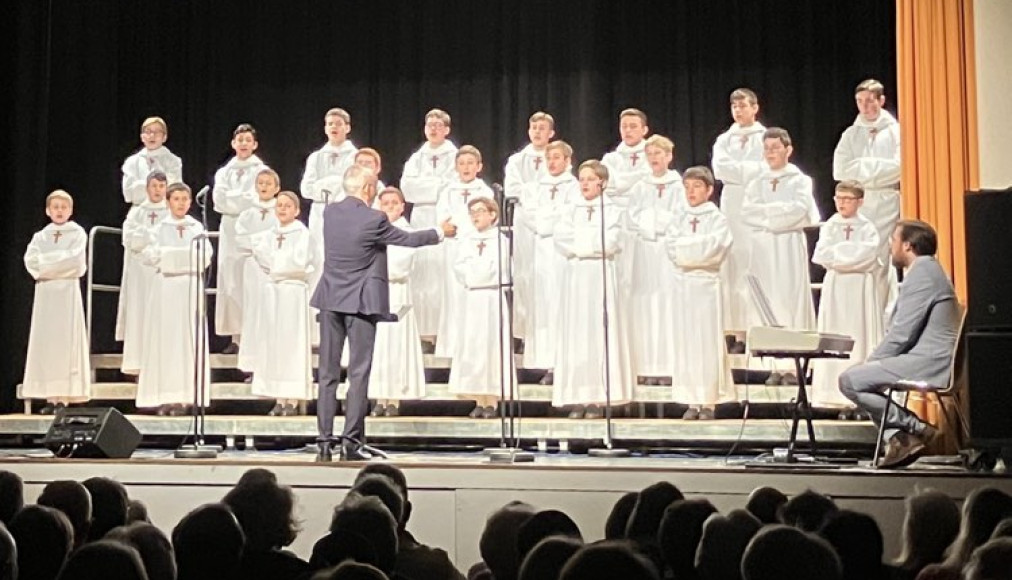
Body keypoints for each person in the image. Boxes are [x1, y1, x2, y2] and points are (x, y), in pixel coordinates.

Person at [311, 164, 453, 462]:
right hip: (360, 303)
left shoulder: (330, 213)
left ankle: (324, 443)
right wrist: (441, 231)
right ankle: (350, 443)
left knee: (327, 374)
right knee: (358, 373)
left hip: (330, 299)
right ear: (366, 188)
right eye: (374, 185)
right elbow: (408, 239)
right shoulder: (374, 218)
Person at [838, 219, 960, 468]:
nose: (890, 247)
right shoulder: (927, 271)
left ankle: (915, 428)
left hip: (930, 361)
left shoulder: (923, 274)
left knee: (850, 380)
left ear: (907, 245)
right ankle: (898, 440)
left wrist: (872, 363)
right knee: (861, 379)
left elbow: (902, 335)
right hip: (924, 357)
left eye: (893, 241)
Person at [553, 160, 633, 418]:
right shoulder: (569, 209)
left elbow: (611, 242)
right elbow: (561, 239)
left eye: (590, 179)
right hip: (576, 275)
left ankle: (599, 398)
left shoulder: (613, 211)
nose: (584, 183)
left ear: (603, 182)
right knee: (577, 334)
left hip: (600, 273)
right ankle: (577, 396)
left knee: (599, 332)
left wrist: (582, 244)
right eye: (582, 178)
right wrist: (586, 245)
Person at [741, 127, 820, 384]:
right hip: (763, 249)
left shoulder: (800, 180)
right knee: (768, 300)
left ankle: (793, 366)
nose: (770, 153)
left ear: (788, 149)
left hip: (787, 246)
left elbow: (800, 211)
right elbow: (747, 212)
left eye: (775, 147)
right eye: (766, 148)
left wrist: (768, 217)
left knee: (790, 299)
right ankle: (774, 364)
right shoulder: (756, 181)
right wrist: (776, 216)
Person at [136, 183, 213, 416]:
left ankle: (185, 397)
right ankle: (164, 396)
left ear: (190, 202)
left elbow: (205, 256)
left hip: (189, 287)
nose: (181, 203)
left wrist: (172, 257)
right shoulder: (158, 228)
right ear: (168, 201)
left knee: (187, 340)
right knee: (165, 341)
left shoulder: (196, 227)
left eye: (184, 199)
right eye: (176, 199)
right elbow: (149, 254)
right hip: (165, 288)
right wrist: (180, 258)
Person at [665, 166, 734, 419]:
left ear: (709, 190)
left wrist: (688, 250)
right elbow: (672, 249)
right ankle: (690, 400)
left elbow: (716, 248)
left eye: (696, 187)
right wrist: (692, 250)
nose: (691, 192)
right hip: (683, 286)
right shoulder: (678, 217)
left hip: (706, 285)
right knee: (686, 342)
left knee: (706, 342)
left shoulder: (717, 218)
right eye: (687, 187)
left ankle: (709, 401)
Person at [811, 181, 883, 410]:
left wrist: (840, 256)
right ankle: (833, 394)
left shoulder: (868, 227)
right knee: (835, 334)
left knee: (859, 335)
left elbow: (869, 255)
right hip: (836, 286)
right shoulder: (831, 225)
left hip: (859, 286)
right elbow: (822, 254)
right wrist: (849, 257)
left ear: (860, 202)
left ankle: (859, 398)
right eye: (838, 198)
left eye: (847, 199)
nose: (841, 203)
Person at [833, 79, 901, 316]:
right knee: (858, 256)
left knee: (880, 258)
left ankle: (881, 315)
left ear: (881, 101)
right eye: (860, 102)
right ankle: (861, 315)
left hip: (885, 202)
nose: (865, 107)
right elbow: (840, 170)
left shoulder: (895, 132)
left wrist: (861, 168)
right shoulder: (851, 135)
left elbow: (899, 167)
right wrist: (874, 171)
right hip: (858, 204)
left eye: (870, 101)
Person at [22, 189, 91, 414]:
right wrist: (55, 264)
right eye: (55, 207)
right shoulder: (40, 237)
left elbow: (75, 262)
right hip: (46, 295)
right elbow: (31, 262)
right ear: (48, 210)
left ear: (70, 210)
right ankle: (51, 398)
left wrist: (47, 264)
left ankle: (64, 398)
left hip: (67, 294)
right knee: (47, 343)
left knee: (65, 343)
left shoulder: (78, 233)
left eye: (64, 207)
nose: (59, 211)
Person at [249, 191, 316, 416]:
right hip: (273, 292)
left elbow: (300, 262)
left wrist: (277, 265)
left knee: (292, 344)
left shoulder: (302, 233)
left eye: (288, 205)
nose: (283, 209)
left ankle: (293, 398)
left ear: (296, 210)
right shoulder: (268, 234)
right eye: (279, 205)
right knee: (274, 344)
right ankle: (278, 396)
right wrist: (278, 265)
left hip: (293, 291)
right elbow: (262, 258)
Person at [627, 134, 685, 386]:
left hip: (667, 250)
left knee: (667, 303)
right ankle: (647, 365)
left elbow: (681, 215)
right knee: (645, 304)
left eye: (658, 154)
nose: (653, 159)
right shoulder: (640, 186)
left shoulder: (679, 185)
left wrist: (657, 223)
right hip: (645, 250)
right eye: (649, 155)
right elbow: (633, 216)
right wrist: (651, 225)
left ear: (669, 156)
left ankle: (669, 367)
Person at [447, 197, 514, 418]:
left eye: (480, 211)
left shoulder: (500, 240)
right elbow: (460, 267)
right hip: (472, 299)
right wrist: (475, 275)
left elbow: (500, 268)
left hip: (491, 298)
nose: (476, 215)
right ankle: (478, 398)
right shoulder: (467, 240)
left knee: (490, 346)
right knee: (473, 347)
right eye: (472, 212)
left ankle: (492, 401)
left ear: (493, 214)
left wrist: (478, 274)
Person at [520, 140, 579, 380]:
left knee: (561, 304)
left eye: (557, 157)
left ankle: (563, 362)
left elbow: (571, 214)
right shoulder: (535, 187)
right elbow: (529, 214)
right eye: (549, 158)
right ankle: (546, 362)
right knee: (543, 304)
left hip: (563, 252)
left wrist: (549, 221)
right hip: (541, 249)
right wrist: (548, 222)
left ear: (567, 161)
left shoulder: (575, 186)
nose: (552, 162)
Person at [711, 88, 767, 336]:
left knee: (753, 261)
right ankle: (734, 328)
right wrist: (748, 171)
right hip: (732, 201)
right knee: (732, 261)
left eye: (743, 106)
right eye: (734, 106)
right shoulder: (724, 140)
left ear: (755, 108)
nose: (738, 111)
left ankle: (755, 325)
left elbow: (765, 167)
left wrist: (742, 171)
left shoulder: (765, 137)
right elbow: (721, 170)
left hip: (756, 198)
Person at [400, 108, 459, 340]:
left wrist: (425, 186)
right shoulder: (417, 158)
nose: (433, 129)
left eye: (438, 125)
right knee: (422, 273)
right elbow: (408, 189)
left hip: (443, 216)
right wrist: (435, 186)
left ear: (447, 129)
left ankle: (444, 332)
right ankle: (424, 333)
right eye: (429, 125)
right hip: (421, 218)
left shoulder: (455, 156)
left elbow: (451, 186)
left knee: (441, 273)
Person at [369, 187, 427, 417]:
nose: (390, 207)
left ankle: (394, 398)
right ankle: (379, 396)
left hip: (397, 291)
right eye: (385, 203)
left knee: (396, 345)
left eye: (394, 203)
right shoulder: (373, 231)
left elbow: (398, 265)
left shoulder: (406, 232)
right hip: (377, 292)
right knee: (379, 346)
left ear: (402, 206)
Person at [434, 145, 494, 358]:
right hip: (452, 247)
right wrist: (450, 225)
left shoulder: (484, 191)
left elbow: (481, 218)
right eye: (461, 163)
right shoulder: (448, 190)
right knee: (452, 296)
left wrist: (460, 224)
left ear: (479, 166)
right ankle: (451, 347)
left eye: (470, 163)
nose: (465, 167)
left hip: (474, 246)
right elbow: (443, 217)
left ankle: (472, 346)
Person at [212, 123, 266, 352]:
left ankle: (254, 338)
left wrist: (237, 200)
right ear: (233, 143)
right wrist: (241, 199)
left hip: (253, 227)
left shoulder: (261, 171)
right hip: (229, 230)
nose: (243, 144)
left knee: (250, 280)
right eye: (239, 139)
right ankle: (236, 338)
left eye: (247, 140)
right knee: (230, 281)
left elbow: (256, 198)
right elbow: (219, 201)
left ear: (254, 145)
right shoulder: (224, 172)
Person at [505, 111, 556, 342]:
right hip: (524, 222)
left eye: (542, 128)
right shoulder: (517, 161)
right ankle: (522, 332)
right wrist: (538, 195)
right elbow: (513, 190)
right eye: (534, 128)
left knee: (546, 276)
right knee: (523, 273)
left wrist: (533, 194)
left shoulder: (557, 157)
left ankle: (546, 332)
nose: (537, 132)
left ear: (551, 133)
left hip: (549, 224)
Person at [302, 108, 359, 298]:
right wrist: (334, 183)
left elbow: (352, 184)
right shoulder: (316, 157)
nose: (334, 127)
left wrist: (327, 185)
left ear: (347, 127)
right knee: (318, 256)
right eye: (330, 124)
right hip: (319, 212)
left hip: (346, 212)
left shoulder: (355, 156)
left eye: (338, 123)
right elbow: (306, 189)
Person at [119, 171, 170, 375]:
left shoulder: (170, 211)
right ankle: (138, 364)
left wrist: (147, 239)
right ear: (147, 188)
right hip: (139, 270)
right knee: (138, 311)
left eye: (161, 186)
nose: (157, 190)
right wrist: (151, 238)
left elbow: (168, 238)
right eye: (153, 186)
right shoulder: (136, 212)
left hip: (160, 269)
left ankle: (160, 364)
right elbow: (129, 237)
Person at [235, 168, 280, 373]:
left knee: (271, 313)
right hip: (252, 268)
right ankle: (251, 365)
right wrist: (261, 243)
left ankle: (270, 363)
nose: (264, 187)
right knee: (252, 312)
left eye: (268, 183)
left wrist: (260, 244)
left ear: (277, 188)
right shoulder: (246, 214)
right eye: (260, 183)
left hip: (273, 267)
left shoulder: (281, 211)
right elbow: (240, 239)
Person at [120, 116, 182, 206]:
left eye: (157, 132)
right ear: (142, 137)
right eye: (148, 132)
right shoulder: (132, 162)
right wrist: (159, 185)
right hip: (139, 212)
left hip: (165, 211)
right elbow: (128, 194)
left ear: (164, 137)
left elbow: (174, 190)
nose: (152, 136)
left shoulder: (173, 161)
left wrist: (142, 186)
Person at [602, 108, 652, 206]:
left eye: (633, 126)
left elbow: (649, 183)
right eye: (624, 126)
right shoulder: (610, 159)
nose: (628, 130)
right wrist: (637, 179)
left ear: (644, 130)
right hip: (615, 210)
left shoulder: (652, 156)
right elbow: (606, 187)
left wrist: (619, 185)